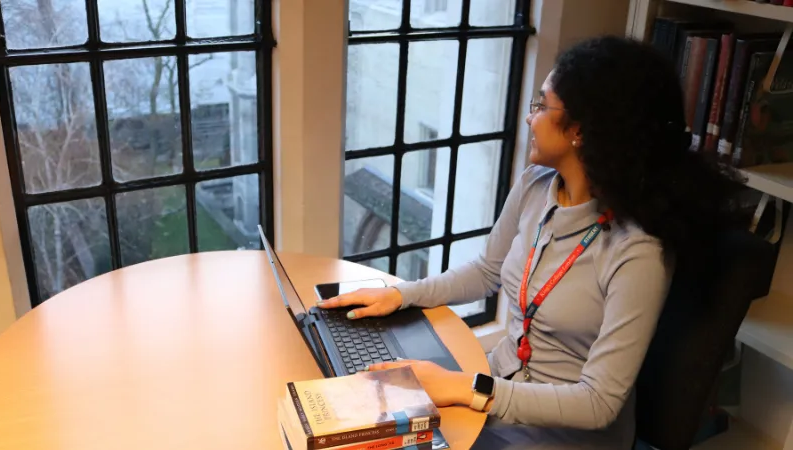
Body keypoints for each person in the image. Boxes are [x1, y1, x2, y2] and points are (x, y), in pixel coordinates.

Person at [318, 36, 744, 449]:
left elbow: (598, 403)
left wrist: (462, 387)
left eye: (541, 104)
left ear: (579, 129)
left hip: (564, 433)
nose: (529, 116)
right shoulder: (536, 185)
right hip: (495, 393)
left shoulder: (637, 250)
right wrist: (400, 294)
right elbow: (486, 271)